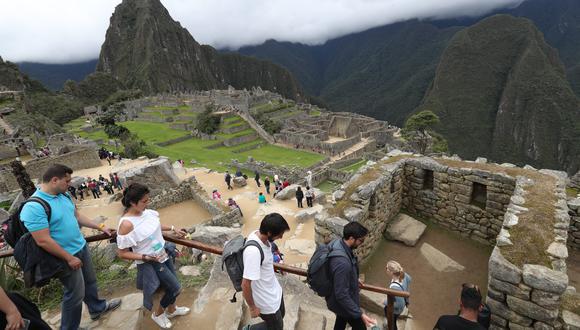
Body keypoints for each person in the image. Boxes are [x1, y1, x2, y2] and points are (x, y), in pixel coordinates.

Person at [20, 164, 121, 330]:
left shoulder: (63, 195)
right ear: (54, 180)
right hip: (64, 257)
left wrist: (101, 227)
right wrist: (69, 257)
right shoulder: (34, 207)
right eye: (67, 181)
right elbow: (43, 240)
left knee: (90, 281)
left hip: (80, 247)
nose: (70, 185)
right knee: (74, 294)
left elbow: (77, 216)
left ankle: (97, 308)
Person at [116, 183, 190, 329]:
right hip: (151, 261)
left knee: (172, 283)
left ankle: (172, 310)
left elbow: (155, 226)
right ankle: (158, 314)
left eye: (147, 199)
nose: (147, 203)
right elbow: (122, 253)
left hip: (162, 253)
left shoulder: (147, 213)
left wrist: (173, 229)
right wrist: (144, 257)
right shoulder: (126, 224)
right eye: (144, 201)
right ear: (132, 202)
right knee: (175, 288)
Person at [241, 213, 290, 330]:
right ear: (269, 233)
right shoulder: (253, 252)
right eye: (280, 234)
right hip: (265, 300)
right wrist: (252, 307)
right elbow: (245, 284)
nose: (281, 237)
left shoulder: (260, 235)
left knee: (281, 316)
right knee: (277, 327)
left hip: (274, 291)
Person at [326, 222, 376, 330]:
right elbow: (341, 294)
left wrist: (353, 278)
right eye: (361, 240)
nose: (362, 243)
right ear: (352, 238)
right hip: (342, 301)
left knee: (341, 320)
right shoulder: (342, 263)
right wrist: (359, 313)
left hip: (337, 300)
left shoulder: (338, 243)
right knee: (361, 327)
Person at [384, 261, 412, 330]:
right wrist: (407, 301)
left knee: (392, 322)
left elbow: (399, 304)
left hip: (396, 310)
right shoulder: (403, 274)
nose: (385, 269)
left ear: (391, 272)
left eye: (386, 268)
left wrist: (385, 302)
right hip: (403, 303)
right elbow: (409, 279)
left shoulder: (394, 287)